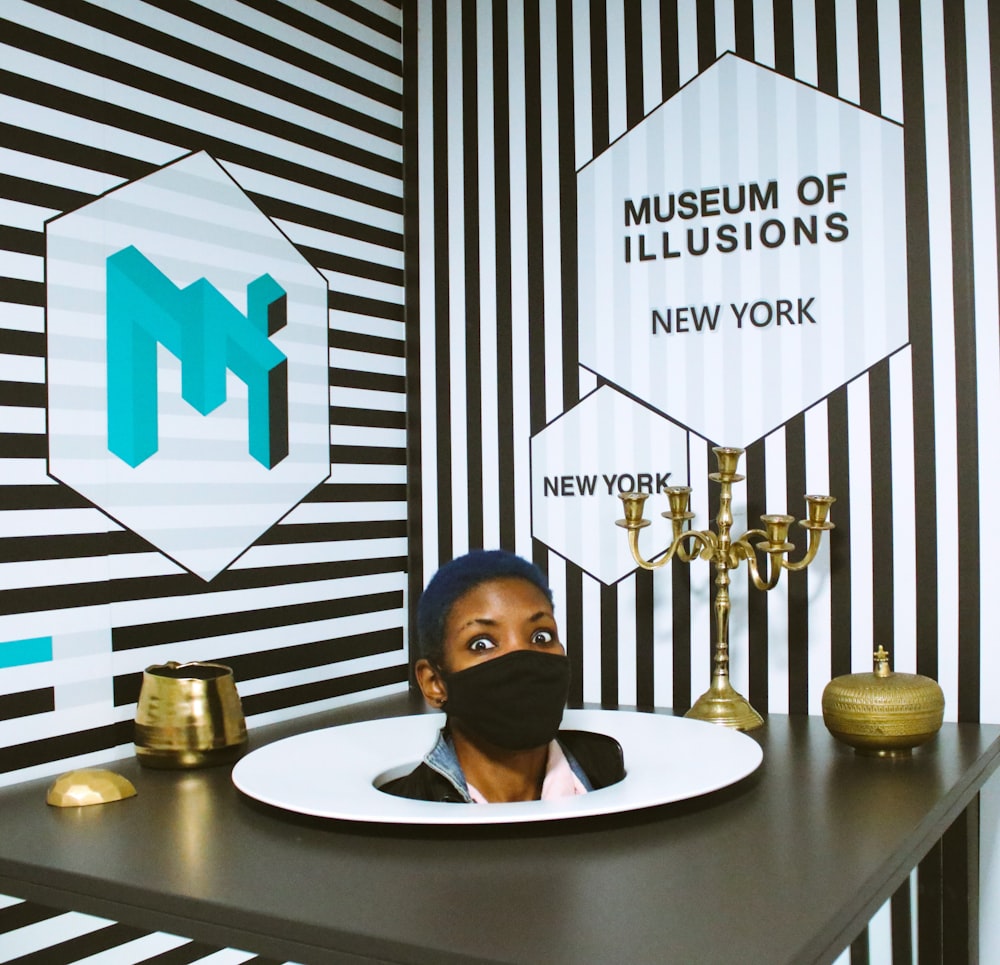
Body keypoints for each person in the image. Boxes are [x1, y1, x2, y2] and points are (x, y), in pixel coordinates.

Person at [382, 549, 625, 803]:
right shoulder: (401, 815)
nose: (522, 658)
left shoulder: (611, 778)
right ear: (434, 683)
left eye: (540, 636)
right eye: (481, 644)